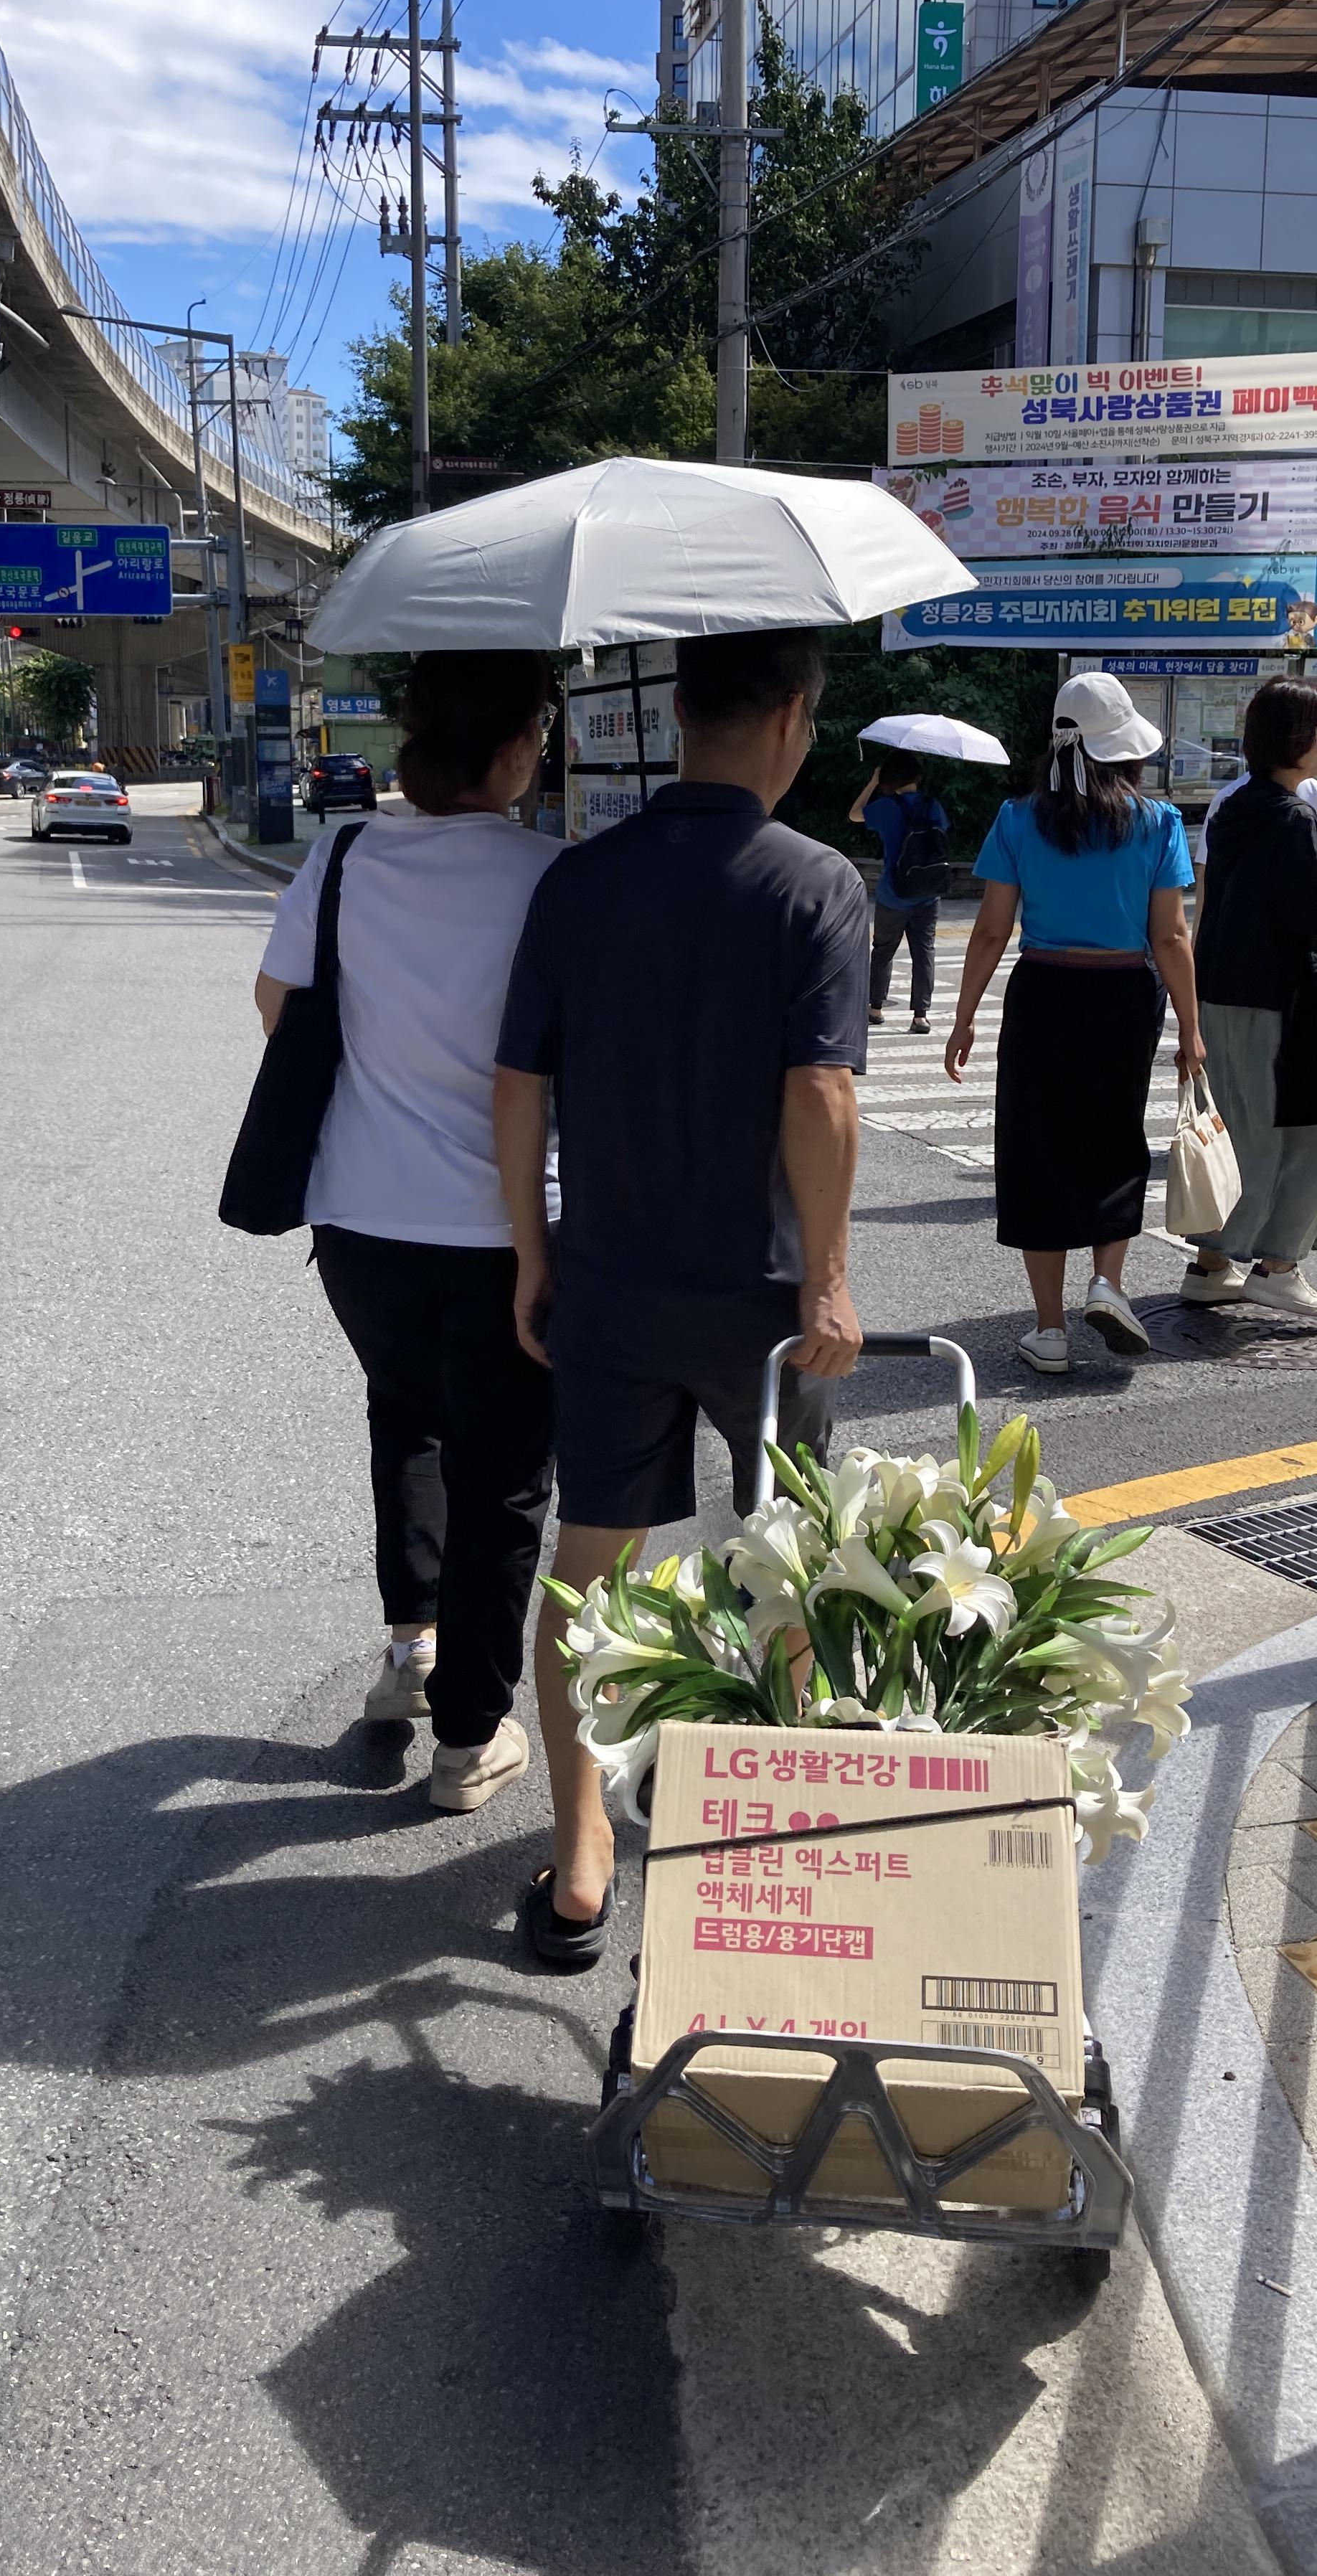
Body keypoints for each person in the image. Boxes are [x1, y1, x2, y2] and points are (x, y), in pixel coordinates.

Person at [494, 630, 868, 1966]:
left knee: (589, 1566)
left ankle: (581, 1852)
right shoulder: (814, 882)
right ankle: (766, 1827)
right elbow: (818, 1092)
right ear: (788, 717)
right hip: (765, 1306)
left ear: (679, 716)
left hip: (608, 1282)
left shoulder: (578, 879)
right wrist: (829, 1276)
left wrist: (533, 1256)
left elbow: (518, 1085)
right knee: (786, 1558)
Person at [255, 652, 563, 1816]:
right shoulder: (552, 875)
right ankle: (469, 1738)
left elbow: (278, 1005)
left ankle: (410, 1649)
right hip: (505, 1228)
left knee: (406, 1415)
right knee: (504, 1477)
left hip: (359, 1220)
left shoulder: (342, 856)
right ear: (519, 746)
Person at [943, 673, 1202, 1378]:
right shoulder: (1158, 823)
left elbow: (991, 930)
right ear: (1126, 750)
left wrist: (964, 1018)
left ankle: (1050, 1330)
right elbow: (1171, 936)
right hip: (1125, 993)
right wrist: (1191, 1028)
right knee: (1115, 1138)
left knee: (1038, 1150)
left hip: (1044, 992)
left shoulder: (1017, 818)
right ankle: (1107, 1284)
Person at [1185, 676, 1317, 1316]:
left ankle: (1212, 1264)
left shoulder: (1233, 808)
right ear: (1295, 739)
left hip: (1223, 991)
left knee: (1240, 1133)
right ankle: (1278, 1265)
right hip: (1282, 998)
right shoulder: (1294, 817)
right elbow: (1316, 921)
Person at [849, 752, 950, 1033]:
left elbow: (854, 814)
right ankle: (920, 1016)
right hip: (929, 893)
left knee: (883, 950)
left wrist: (872, 782)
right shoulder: (934, 806)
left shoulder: (887, 808)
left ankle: (875, 1008)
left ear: (890, 779)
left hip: (894, 894)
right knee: (924, 951)